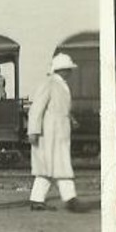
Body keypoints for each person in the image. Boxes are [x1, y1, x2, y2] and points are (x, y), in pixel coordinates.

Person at [28, 52, 90, 212]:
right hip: (49, 132)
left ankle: (38, 200)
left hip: (58, 131)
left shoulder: (61, 84)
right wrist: (33, 130)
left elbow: (61, 107)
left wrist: (71, 119)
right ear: (61, 69)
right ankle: (70, 199)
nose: (70, 72)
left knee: (52, 166)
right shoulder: (49, 83)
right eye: (68, 69)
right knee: (56, 165)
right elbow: (36, 109)